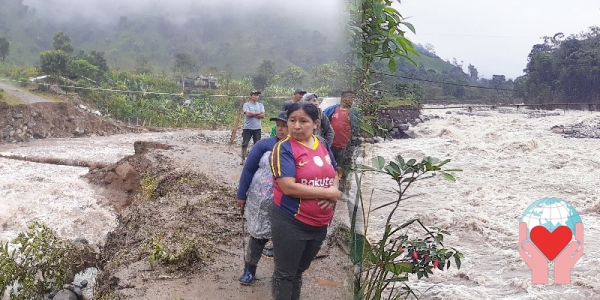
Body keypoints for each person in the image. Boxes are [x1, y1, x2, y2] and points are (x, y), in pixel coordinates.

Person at [270, 101, 342, 300]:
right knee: (285, 273)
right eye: (292, 120)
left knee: (298, 271)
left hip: (319, 224)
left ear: (316, 123)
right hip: (290, 221)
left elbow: (334, 172)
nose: (296, 126)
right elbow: (288, 187)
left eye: (303, 121)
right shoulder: (283, 149)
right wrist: (327, 194)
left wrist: (334, 189)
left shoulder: (323, 144)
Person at [236, 111, 289, 285]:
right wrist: (241, 194)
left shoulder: (298, 149)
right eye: (278, 126)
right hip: (260, 203)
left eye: (284, 126)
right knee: (257, 238)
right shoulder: (263, 145)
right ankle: (249, 270)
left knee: (284, 240)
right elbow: (249, 170)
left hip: (286, 204)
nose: (280, 130)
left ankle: (282, 276)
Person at [323, 91, 360, 190]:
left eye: (353, 98)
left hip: (344, 145)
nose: (352, 100)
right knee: (328, 164)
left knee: (341, 166)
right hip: (330, 144)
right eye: (351, 98)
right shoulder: (332, 110)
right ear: (343, 98)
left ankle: (339, 186)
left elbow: (356, 128)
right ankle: (327, 183)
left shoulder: (353, 113)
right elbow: (322, 119)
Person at [241, 90, 265, 165]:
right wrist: (258, 113)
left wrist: (253, 114)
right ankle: (243, 158)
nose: (256, 96)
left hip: (257, 128)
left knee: (257, 144)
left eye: (257, 95)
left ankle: (255, 159)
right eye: (255, 95)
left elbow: (263, 115)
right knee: (245, 143)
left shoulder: (260, 105)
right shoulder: (246, 105)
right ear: (251, 96)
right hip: (247, 127)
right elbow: (247, 113)